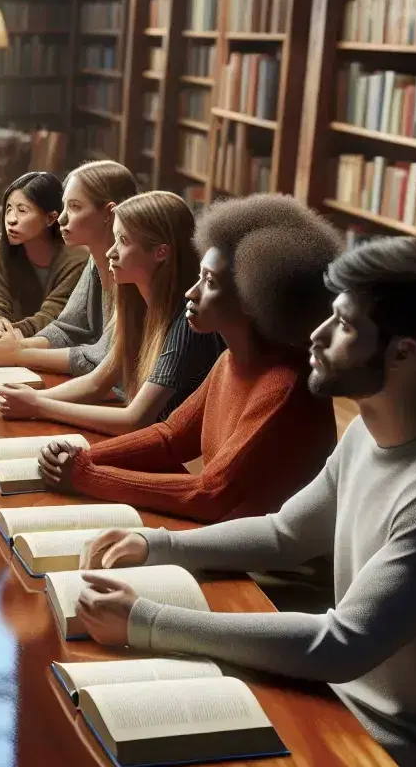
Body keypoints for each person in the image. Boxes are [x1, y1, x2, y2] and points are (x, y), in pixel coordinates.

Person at [70, 237, 416, 767]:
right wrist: (160, 548)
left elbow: (341, 646)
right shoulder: (372, 433)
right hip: (337, 710)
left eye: (342, 324)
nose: (315, 334)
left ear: (404, 354)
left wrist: (146, 621)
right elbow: (286, 534)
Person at [36, 193, 341, 523]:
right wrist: (82, 456)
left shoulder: (283, 386)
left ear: (254, 299)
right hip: (225, 541)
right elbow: (171, 438)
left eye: (209, 282)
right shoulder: (230, 362)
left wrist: (86, 476)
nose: (191, 293)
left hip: (265, 571)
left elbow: (208, 495)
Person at [0, 190, 221, 435]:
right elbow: (96, 383)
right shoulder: (136, 304)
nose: (110, 252)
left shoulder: (186, 322)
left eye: (123, 241)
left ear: (161, 252)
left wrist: (39, 405)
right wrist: (33, 397)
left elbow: (135, 420)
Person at [0, 160, 139, 374]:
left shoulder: (131, 269)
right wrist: (12, 344)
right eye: (64, 206)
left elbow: (104, 358)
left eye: (74, 207)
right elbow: (66, 328)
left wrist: (19, 353)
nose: (62, 218)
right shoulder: (95, 261)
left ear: (109, 214)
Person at [0, 171, 88, 337]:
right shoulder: (5, 245)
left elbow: (54, 313)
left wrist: (16, 332)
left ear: (50, 218)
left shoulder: (77, 258)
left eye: (22, 211)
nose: (11, 219)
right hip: (17, 346)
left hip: (59, 348)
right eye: (8, 209)